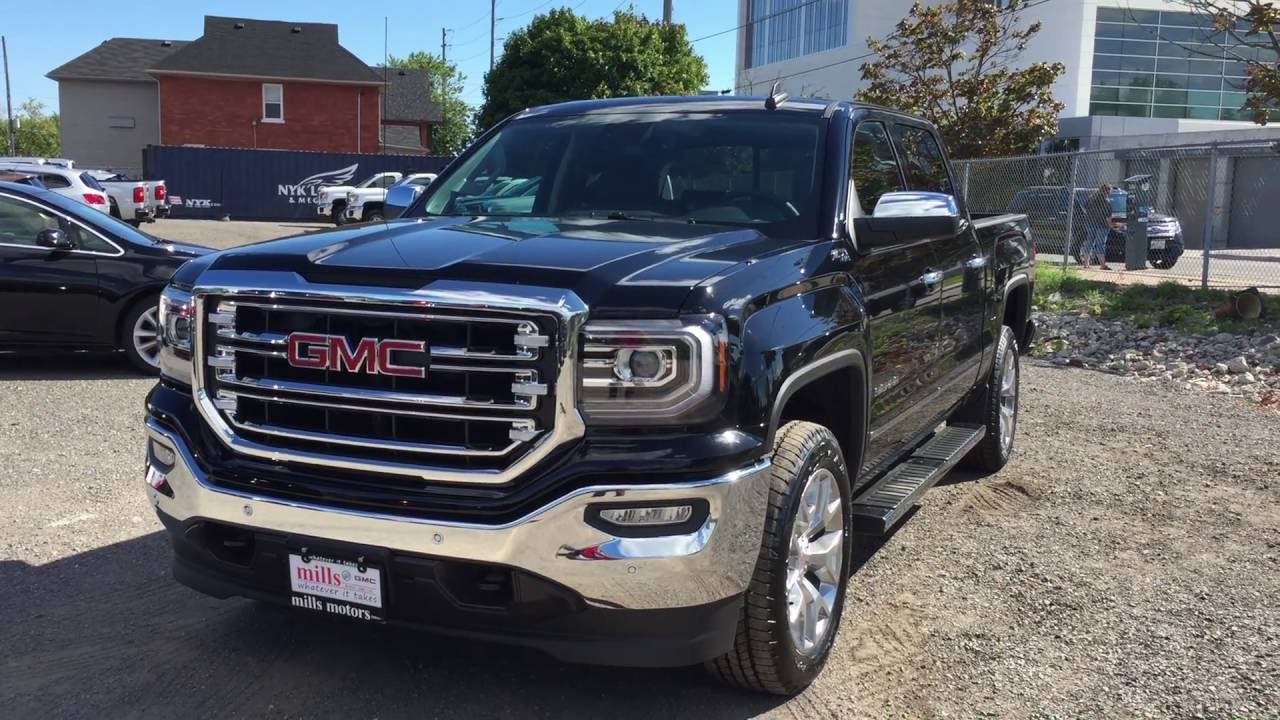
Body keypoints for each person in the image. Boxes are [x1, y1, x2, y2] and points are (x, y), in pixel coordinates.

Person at [1079, 183, 1115, 270]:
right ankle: (1102, 265)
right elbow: (1108, 217)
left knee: (1089, 242)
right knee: (1100, 244)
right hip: (1102, 225)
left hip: (1090, 223)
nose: (1110, 193)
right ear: (1107, 191)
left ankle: (1086, 263)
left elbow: (1084, 208)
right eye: (1109, 191)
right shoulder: (1106, 202)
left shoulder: (1091, 199)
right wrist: (1111, 226)